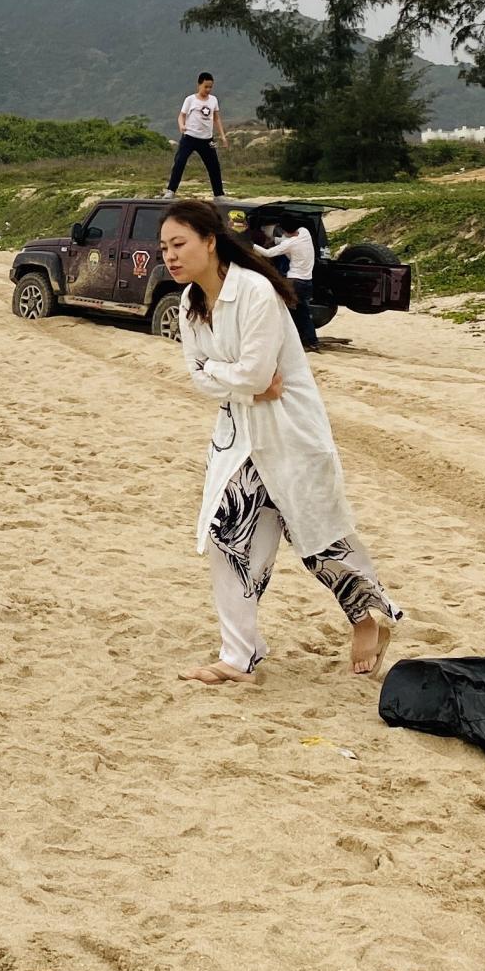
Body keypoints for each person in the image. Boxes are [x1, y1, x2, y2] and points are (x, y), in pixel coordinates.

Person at [155, 199, 401, 684]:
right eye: (164, 247)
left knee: (318, 540)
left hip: (290, 434)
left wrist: (231, 377)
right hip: (238, 438)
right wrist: (240, 382)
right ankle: (239, 656)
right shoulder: (189, 304)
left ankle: (367, 616)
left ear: (211, 241)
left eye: (179, 244)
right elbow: (201, 377)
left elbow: (254, 372)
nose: (170, 255)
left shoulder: (255, 292)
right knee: (229, 537)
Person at [267, 213, 321, 351]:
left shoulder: (290, 243)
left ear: (285, 230)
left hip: (294, 282)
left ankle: (290, 341)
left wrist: (252, 245)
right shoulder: (305, 232)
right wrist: (278, 240)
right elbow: (284, 240)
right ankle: (311, 340)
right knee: (302, 311)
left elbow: (268, 254)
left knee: (287, 311)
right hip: (307, 282)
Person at [168, 72, 227, 195]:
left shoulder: (213, 100)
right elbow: (181, 116)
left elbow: (216, 118)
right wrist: (182, 126)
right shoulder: (190, 100)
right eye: (206, 87)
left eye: (210, 87)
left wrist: (222, 135)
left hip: (207, 140)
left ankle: (219, 195)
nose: (208, 90)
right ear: (199, 85)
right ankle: (170, 191)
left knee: (214, 166)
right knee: (179, 162)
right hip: (189, 138)